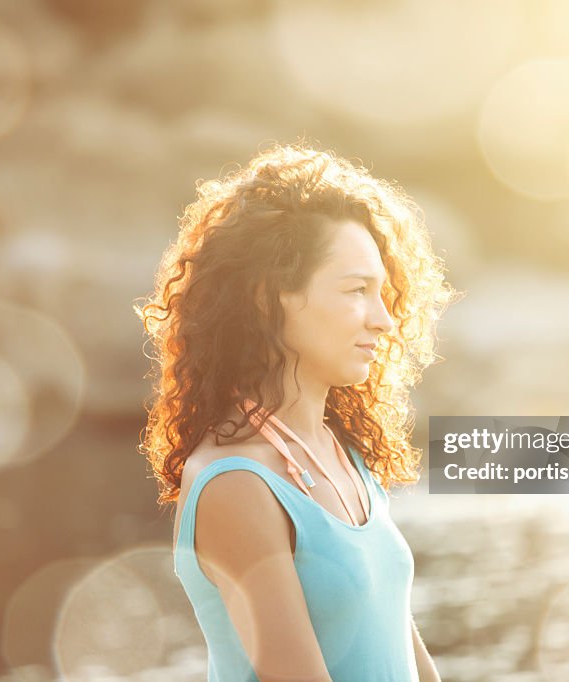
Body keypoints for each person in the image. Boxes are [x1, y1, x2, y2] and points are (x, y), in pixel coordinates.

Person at [136, 143, 455, 681]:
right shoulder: (235, 485)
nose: (384, 320)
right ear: (269, 297)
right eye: (357, 290)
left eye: (384, 294)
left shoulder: (340, 452)